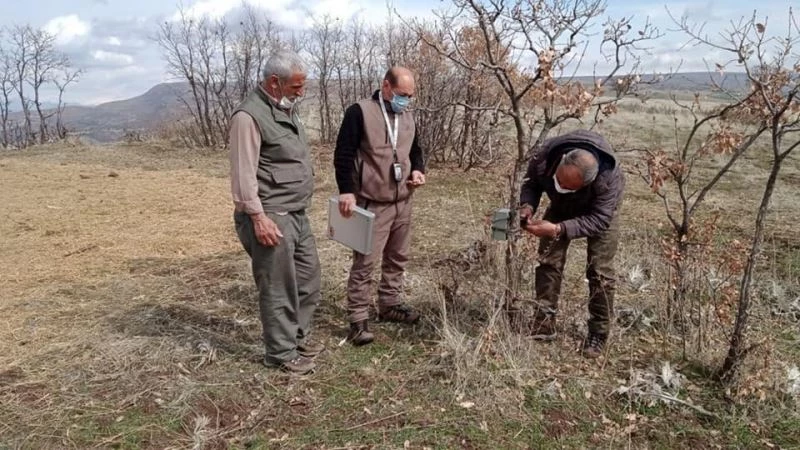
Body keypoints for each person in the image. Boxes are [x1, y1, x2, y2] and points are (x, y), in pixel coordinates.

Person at [228, 50, 322, 374]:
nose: (301, 92)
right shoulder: (248, 116)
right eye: (296, 86)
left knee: (309, 280)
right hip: (271, 216)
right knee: (278, 287)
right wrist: (257, 217)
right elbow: (243, 175)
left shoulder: (285, 108)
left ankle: (297, 336)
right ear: (274, 82)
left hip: (296, 212)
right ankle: (281, 354)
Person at [333, 67, 426, 346]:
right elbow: (344, 154)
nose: (405, 101)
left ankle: (390, 304)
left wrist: (418, 171)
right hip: (372, 202)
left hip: (403, 200)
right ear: (386, 87)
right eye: (401, 95)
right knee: (365, 263)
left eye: (410, 96)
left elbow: (415, 151)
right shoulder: (359, 112)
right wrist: (346, 191)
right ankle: (358, 319)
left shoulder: (407, 115)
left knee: (397, 258)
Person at [516, 129, 625, 358]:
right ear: (560, 162)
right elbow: (531, 184)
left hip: (599, 214)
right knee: (548, 261)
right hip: (561, 207)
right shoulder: (544, 155)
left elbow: (599, 219)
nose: (559, 187)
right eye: (558, 180)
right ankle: (544, 321)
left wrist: (559, 229)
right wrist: (527, 206)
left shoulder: (608, 179)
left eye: (567, 186)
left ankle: (599, 333)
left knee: (600, 272)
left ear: (587, 182)